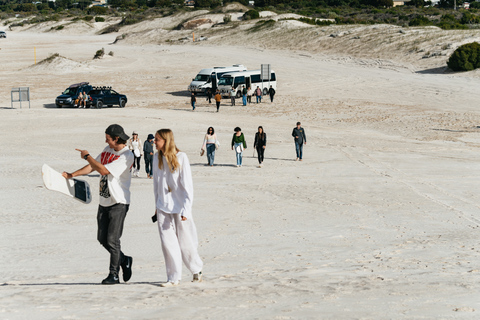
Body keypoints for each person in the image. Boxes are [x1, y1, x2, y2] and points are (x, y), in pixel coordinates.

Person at [62, 124, 134, 285]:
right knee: (102, 238)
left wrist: (87, 156)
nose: (106, 141)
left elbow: (103, 170)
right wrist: (72, 174)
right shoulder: (107, 150)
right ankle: (124, 260)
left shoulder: (126, 155)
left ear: (116, 138)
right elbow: (93, 167)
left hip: (119, 202)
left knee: (112, 240)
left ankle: (114, 275)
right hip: (104, 201)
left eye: (108, 138)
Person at [152, 129, 203, 287]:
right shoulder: (156, 158)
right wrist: (156, 205)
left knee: (185, 239)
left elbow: (188, 186)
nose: (154, 142)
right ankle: (173, 277)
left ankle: (196, 269)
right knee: (167, 242)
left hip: (180, 205)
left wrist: (186, 210)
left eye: (157, 139)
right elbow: (156, 185)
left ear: (166, 141)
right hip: (162, 205)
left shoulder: (181, 157)